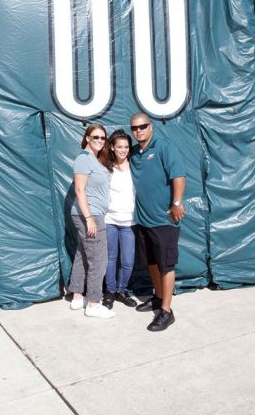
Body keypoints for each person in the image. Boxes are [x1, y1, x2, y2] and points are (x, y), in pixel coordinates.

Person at [128, 113, 188, 332]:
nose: (139, 131)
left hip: (164, 220)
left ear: (150, 127)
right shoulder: (134, 153)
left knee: (166, 265)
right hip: (143, 221)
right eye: (134, 128)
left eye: (143, 126)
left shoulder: (164, 147)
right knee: (152, 263)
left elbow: (179, 175)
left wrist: (177, 202)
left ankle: (166, 311)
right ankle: (157, 297)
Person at [65, 123, 115, 319]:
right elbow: (79, 190)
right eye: (96, 137)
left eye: (103, 138)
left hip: (91, 213)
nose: (100, 141)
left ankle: (78, 297)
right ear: (87, 138)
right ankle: (93, 303)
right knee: (99, 260)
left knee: (83, 254)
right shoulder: (84, 159)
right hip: (90, 214)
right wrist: (89, 218)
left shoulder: (93, 159)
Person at [102, 130, 138, 309]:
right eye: (119, 147)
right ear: (112, 148)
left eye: (126, 147)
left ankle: (121, 291)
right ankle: (110, 292)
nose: (123, 150)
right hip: (110, 220)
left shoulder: (135, 166)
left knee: (128, 261)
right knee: (110, 258)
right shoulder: (106, 168)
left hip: (129, 222)